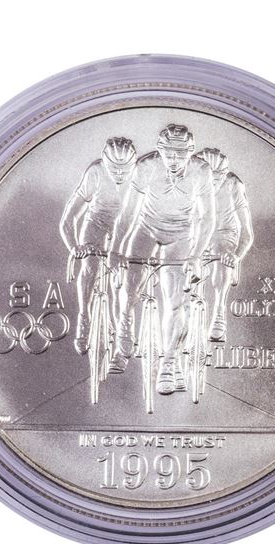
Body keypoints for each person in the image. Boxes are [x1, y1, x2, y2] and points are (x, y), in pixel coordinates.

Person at [109, 124, 215, 395]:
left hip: (181, 236)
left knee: (175, 302)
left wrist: (196, 255)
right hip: (146, 230)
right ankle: (124, 333)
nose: (174, 160)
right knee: (128, 288)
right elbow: (128, 213)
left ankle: (169, 362)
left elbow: (207, 218)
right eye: (169, 154)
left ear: (190, 152)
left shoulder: (201, 171)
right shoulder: (146, 167)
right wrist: (117, 250)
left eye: (180, 154)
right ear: (160, 151)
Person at [59, 137, 137, 355]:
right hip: (96, 223)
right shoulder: (95, 173)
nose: (119, 174)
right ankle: (84, 317)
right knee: (90, 267)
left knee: (124, 277)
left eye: (125, 170)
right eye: (114, 169)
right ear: (105, 163)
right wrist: (75, 247)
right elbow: (68, 219)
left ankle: (122, 323)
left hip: (125, 226)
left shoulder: (140, 175)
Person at [194, 148, 253, 341]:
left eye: (218, 178)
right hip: (196, 232)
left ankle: (219, 309)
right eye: (209, 179)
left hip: (224, 233)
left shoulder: (234, 185)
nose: (213, 184)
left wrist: (236, 255)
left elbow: (247, 233)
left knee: (222, 254)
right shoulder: (189, 181)